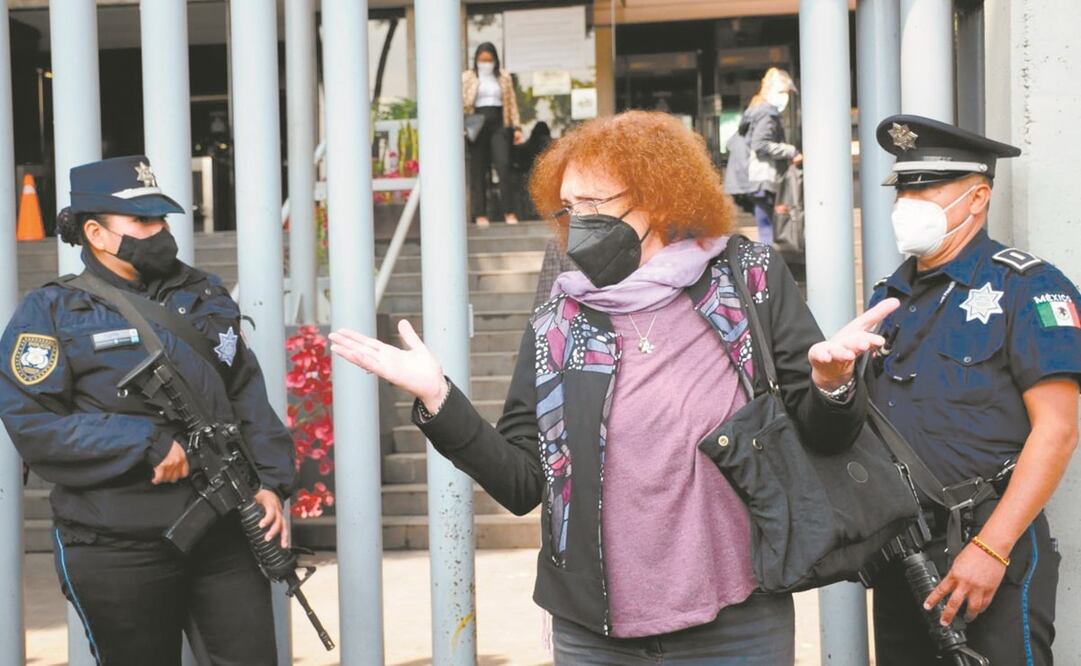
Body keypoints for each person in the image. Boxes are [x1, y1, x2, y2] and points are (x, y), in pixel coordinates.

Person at [330, 111, 899, 664]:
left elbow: (825, 435)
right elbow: (524, 482)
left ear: (659, 199)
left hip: (737, 621)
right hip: (595, 636)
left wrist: (832, 383)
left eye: (597, 206)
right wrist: (439, 400)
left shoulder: (745, 278)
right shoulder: (559, 318)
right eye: (570, 206)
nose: (580, 222)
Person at [0, 156, 296, 665]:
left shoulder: (204, 295)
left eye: (161, 219)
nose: (159, 231)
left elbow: (246, 393)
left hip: (224, 532)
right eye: (142, 221)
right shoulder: (52, 311)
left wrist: (271, 483)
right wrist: (145, 443)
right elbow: (34, 424)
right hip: (117, 544)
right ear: (96, 231)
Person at [866, 115, 1081, 665]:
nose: (907, 202)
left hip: (988, 542)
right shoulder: (888, 299)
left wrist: (992, 548)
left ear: (977, 196)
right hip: (902, 552)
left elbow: (1057, 432)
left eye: (926, 188)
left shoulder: (1028, 286)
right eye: (903, 189)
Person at [727, 68, 801, 245]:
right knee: (770, 227)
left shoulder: (756, 109)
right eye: (784, 92)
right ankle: (770, 266)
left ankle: (767, 265)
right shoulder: (767, 113)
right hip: (761, 177)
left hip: (752, 179)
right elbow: (760, 144)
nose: (786, 97)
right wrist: (792, 151)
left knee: (766, 225)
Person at [463, 42, 523, 227]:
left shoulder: (504, 76)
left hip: (499, 123)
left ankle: (509, 212)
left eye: (489, 60)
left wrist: (517, 127)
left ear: (495, 60)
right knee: (478, 170)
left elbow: (511, 102)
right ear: (476, 60)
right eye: (482, 60)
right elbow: (461, 102)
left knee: (503, 166)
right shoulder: (468, 76)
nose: (485, 63)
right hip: (476, 123)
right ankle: (480, 214)